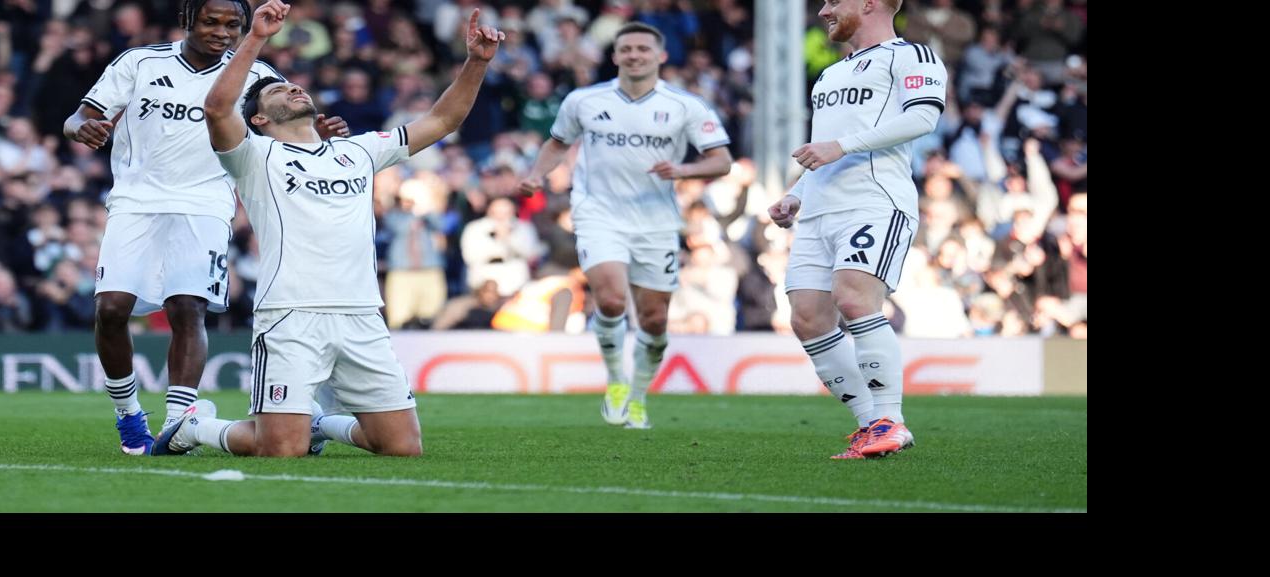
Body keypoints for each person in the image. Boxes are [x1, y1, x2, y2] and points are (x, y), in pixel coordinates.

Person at [153, 0, 505, 457]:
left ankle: (320, 423)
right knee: (281, 451)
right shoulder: (254, 157)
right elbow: (218, 109)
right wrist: (256, 37)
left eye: (295, 86)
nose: (292, 89)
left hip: (362, 313)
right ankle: (194, 426)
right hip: (291, 314)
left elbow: (442, 120)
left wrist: (475, 62)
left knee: (401, 448)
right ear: (258, 119)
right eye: (277, 93)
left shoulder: (359, 150)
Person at [61, 0, 348, 454]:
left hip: (207, 202)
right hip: (136, 200)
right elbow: (79, 116)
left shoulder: (256, 73)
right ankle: (128, 414)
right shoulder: (140, 61)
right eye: (211, 22)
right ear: (187, 21)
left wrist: (321, 131)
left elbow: (285, 123)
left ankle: (179, 422)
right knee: (112, 309)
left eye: (233, 24)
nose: (223, 32)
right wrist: (82, 128)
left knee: (187, 307)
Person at [515, 22, 731, 429]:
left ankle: (638, 396)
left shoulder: (686, 105)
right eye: (626, 49)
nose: (634, 55)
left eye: (642, 49)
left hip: (657, 222)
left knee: (653, 320)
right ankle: (616, 380)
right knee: (611, 301)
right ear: (614, 56)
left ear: (661, 56)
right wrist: (537, 174)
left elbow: (721, 160)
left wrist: (683, 169)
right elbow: (558, 143)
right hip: (599, 214)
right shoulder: (584, 100)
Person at [769, 0, 946, 459]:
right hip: (818, 210)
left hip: (874, 200)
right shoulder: (830, 75)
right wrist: (797, 192)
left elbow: (923, 118)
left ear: (869, 2)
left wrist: (840, 146)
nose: (825, 9)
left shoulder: (911, 56)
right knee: (807, 318)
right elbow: (825, 153)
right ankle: (872, 426)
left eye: (834, 0)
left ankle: (890, 419)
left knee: (853, 298)